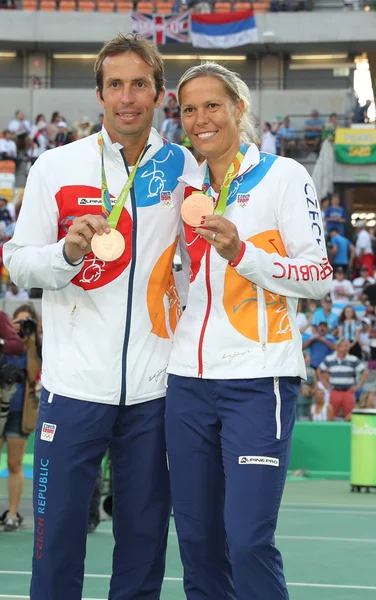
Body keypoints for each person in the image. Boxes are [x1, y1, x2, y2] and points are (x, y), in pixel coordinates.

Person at [4, 33, 196, 600]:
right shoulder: (57, 166)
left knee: (142, 546)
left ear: (159, 93)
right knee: (57, 542)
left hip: (155, 392)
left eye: (140, 83)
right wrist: (65, 253)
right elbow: (16, 263)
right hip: (73, 388)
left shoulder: (186, 168)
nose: (128, 96)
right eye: (116, 84)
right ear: (99, 93)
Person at [165, 62, 332, 600]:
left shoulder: (284, 175)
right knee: (196, 537)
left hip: (259, 383)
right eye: (189, 109)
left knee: (247, 538)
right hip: (187, 382)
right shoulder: (182, 188)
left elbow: (319, 276)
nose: (200, 118)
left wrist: (243, 252)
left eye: (212, 105)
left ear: (239, 108)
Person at [0, 303, 41, 531]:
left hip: (20, 409)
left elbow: (34, 375)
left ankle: (13, 514)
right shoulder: (4, 339)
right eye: (19, 321)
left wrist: (32, 344)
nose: (22, 326)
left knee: (15, 464)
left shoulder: (33, 346)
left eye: (27, 322)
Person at [318, 339, 368, 420]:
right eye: (344, 346)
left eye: (348, 346)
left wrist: (358, 386)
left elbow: (365, 372)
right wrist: (325, 384)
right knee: (332, 415)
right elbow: (319, 370)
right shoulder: (329, 359)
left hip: (348, 391)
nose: (347, 348)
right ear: (338, 347)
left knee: (350, 416)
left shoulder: (353, 359)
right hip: (334, 391)